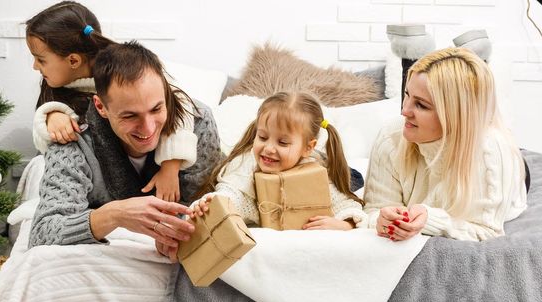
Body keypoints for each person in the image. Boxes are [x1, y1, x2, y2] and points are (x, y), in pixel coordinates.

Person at [29, 41, 223, 261]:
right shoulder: (72, 142)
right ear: (101, 107)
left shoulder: (199, 124)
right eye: (130, 116)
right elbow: (41, 233)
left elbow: (206, 204)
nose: (148, 128)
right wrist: (116, 214)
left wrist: (172, 230)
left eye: (156, 109)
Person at [25, 1, 198, 203]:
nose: (35, 66)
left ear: (73, 61)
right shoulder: (55, 88)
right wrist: (50, 115)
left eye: (41, 60)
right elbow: (45, 147)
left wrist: (171, 165)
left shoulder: (130, 67)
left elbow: (180, 103)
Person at [363, 47, 527, 242]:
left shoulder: (490, 151)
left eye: (421, 105)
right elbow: (374, 209)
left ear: (454, 116)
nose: (404, 111)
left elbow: (486, 230)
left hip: (508, 176)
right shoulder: (391, 137)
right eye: (407, 95)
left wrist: (429, 219)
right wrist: (382, 220)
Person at [190, 91, 367, 229]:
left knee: (352, 179)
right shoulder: (246, 166)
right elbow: (232, 193)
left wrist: (345, 224)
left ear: (308, 147)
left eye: (282, 142)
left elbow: (346, 205)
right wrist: (214, 203)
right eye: (262, 137)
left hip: (337, 169)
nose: (268, 148)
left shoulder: (315, 170)